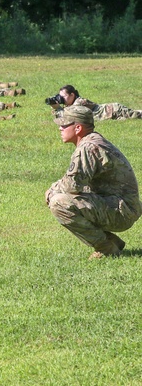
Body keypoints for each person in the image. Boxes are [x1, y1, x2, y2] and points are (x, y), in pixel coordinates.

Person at [45, 105, 141, 258]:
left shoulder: (88, 147)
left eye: (64, 125)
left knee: (59, 203)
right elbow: (77, 182)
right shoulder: (92, 142)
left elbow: (72, 185)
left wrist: (52, 190)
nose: (60, 128)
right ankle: (111, 241)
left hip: (122, 211)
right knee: (65, 197)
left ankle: (106, 248)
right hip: (122, 206)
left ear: (78, 128)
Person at [49, 85, 142, 121]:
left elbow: (71, 116)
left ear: (72, 95)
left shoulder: (80, 102)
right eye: (59, 96)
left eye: (63, 96)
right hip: (111, 115)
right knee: (127, 120)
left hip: (114, 110)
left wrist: (58, 108)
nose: (61, 99)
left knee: (135, 115)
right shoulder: (70, 105)